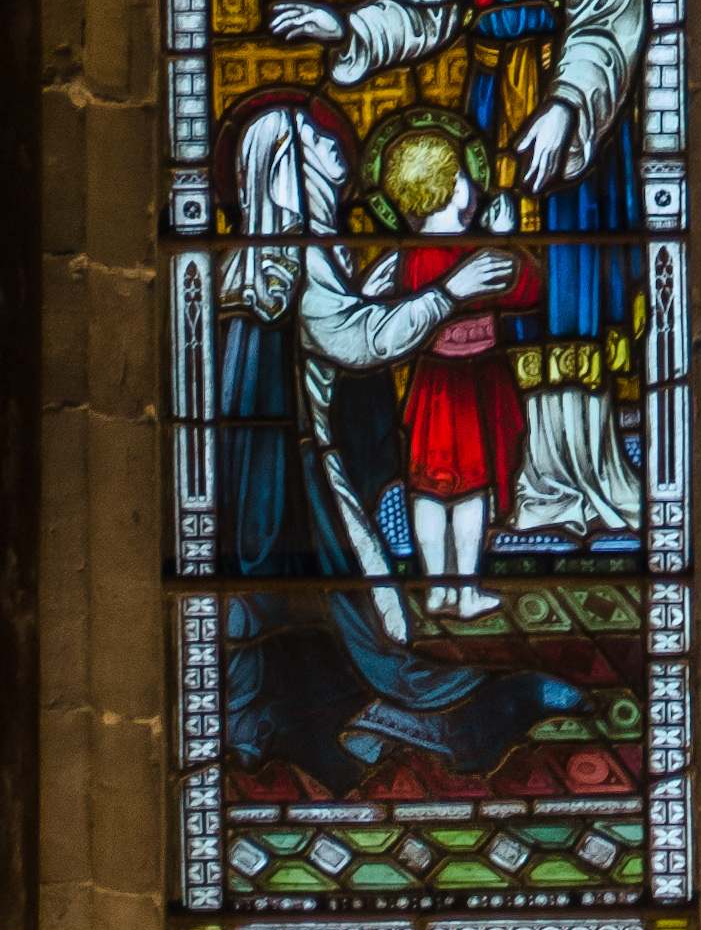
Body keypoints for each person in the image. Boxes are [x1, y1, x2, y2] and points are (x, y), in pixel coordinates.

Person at [269, 0, 644, 544]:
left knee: (568, 293)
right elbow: (422, 7)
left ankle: (583, 475)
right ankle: (526, 489)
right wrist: (344, 23)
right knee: (503, 292)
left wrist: (568, 105)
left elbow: (609, 17)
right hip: (491, 118)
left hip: (573, 132)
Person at [216, 95, 576, 781]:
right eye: (321, 145)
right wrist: (450, 290)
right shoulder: (290, 255)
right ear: (287, 166)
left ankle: (295, 721)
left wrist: (385, 287)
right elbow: (355, 337)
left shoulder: (255, 256)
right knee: (357, 623)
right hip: (295, 480)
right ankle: (452, 716)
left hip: (262, 477)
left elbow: (338, 319)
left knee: (325, 621)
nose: (338, 159)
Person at [358, 106, 539, 613]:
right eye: (461, 175)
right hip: (473, 385)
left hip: (430, 386)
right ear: (447, 187)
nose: (470, 186)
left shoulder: (409, 256)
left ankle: (436, 588)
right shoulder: (471, 252)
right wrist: (505, 240)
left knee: (429, 490)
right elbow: (524, 289)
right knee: (472, 491)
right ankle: (466, 591)